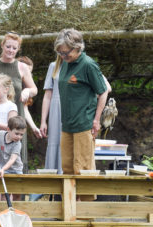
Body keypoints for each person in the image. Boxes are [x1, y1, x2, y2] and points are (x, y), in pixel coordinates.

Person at [54, 28, 108, 201]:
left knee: (84, 169)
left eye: (66, 52)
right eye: (60, 52)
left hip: (85, 124)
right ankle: (69, 211)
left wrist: (97, 120)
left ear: (78, 47)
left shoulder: (88, 65)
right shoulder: (64, 63)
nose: (63, 55)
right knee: (68, 169)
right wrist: (63, 57)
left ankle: (86, 214)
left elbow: (103, 91)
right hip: (67, 125)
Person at [0, 32, 38, 172]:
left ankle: (16, 191)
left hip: (14, 115)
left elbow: (34, 88)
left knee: (13, 151)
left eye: (14, 48)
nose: (11, 50)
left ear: (18, 49)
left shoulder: (21, 67)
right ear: (2, 45)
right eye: (8, 46)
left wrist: (27, 91)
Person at [0, 115, 26, 201]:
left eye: (21, 135)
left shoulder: (17, 144)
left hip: (16, 170)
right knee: (5, 193)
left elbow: (12, 160)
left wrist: (3, 169)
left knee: (17, 193)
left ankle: (16, 212)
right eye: (17, 133)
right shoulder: (1, 135)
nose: (19, 137)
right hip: (5, 169)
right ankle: (5, 212)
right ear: (8, 130)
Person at [17, 56, 42, 139]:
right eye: (26, 71)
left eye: (29, 72)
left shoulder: (26, 88)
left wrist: (34, 127)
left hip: (18, 124)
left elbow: (24, 109)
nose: (27, 74)